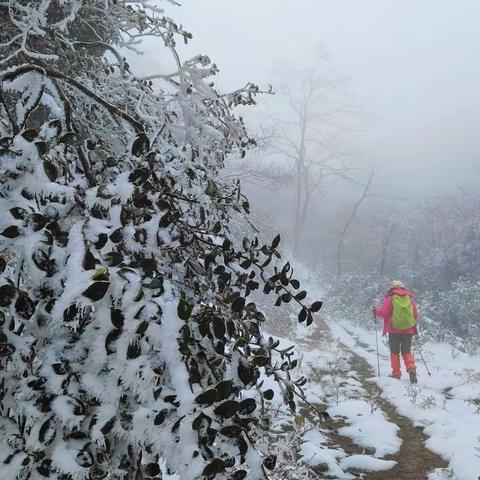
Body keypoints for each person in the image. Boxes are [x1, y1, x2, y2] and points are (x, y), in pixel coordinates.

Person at [373, 280, 418, 383]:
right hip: (408, 330)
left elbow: (384, 312)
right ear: (403, 287)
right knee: (406, 351)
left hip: (394, 329)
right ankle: (411, 367)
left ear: (392, 288)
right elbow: (415, 315)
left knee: (395, 352)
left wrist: (375, 311)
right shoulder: (409, 298)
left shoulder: (391, 297)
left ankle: (396, 375)